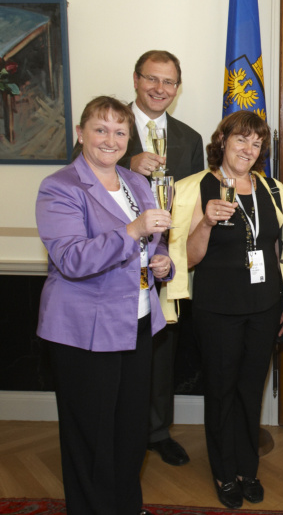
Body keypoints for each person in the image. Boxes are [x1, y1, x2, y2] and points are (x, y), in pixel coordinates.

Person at [36, 96, 173, 515]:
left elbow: (154, 238)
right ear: (81, 134)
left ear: (129, 137)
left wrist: (162, 260)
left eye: (119, 131)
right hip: (83, 332)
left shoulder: (135, 182)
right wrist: (132, 231)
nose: (109, 139)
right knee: (91, 437)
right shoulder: (60, 187)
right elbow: (72, 259)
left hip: (136, 324)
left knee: (131, 432)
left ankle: (127, 507)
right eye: (100, 129)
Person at [167, 111, 283, 509]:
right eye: (241, 140)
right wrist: (207, 223)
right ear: (223, 140)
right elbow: (188, 259)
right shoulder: (194, 189)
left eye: (256, 143)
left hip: (263, 308)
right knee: (222, 392)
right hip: (218, 310)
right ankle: (224, 473)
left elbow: (281, 250)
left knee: (250, 391)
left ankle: (248, 469)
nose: (248, 149)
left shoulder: (273, 189)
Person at [127, 50, 204, 467]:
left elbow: (193, 205)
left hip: (167, 261)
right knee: (120, 354)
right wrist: (128, 163)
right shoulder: (109, 126)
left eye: (169, 82)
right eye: (152, 79)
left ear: (177, 87)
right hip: (115, 262)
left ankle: (158, 432)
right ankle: (125, 431)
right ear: (136, 80)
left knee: (162, 351)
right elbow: (80, 178)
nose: (160, 89)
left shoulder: (190, 139)